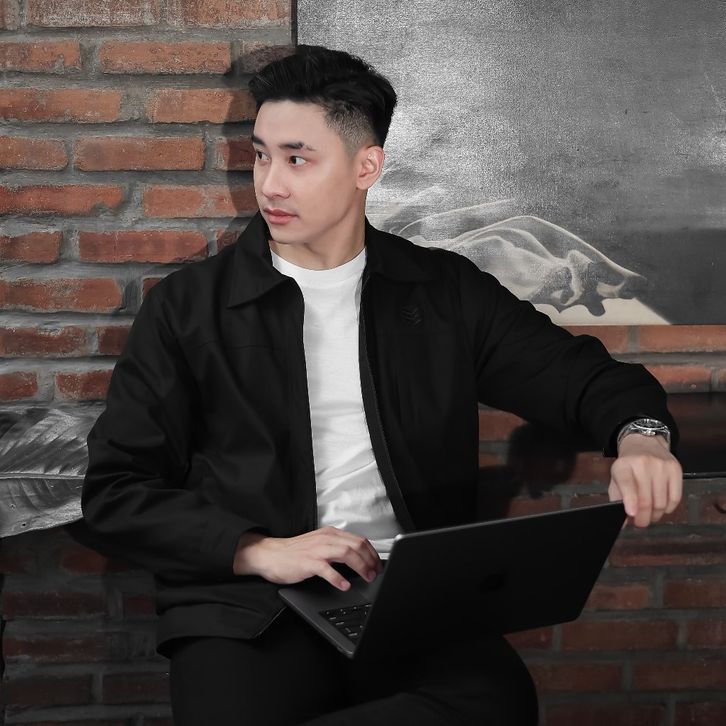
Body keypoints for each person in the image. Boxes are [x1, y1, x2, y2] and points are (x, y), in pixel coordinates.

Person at [81, 45, 683, 726]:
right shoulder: (188, 309)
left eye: (297, 159)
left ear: (366, 167)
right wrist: (260, 550)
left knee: (498, 704)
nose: (269, 185)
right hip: (244, 606)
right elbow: (116, 491)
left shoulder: (444, 291)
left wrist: (642, 436)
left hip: (411, 597)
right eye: (261, 156)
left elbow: (584, 378)